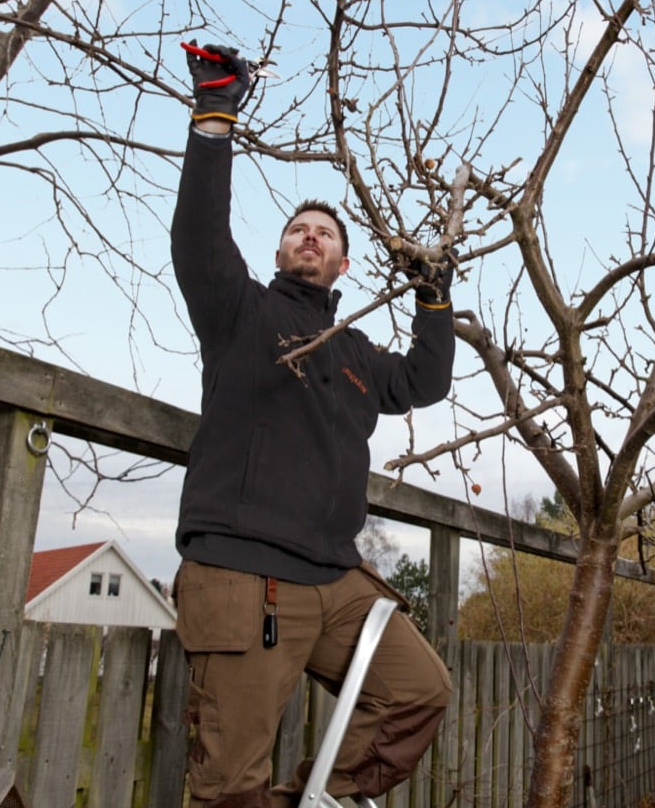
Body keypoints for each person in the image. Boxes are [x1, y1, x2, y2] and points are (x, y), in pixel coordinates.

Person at [169, 41, 456, 808]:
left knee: (419, 690)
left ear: (344, 265)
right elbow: (199, 242)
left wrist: (433, 296)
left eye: (325, 233)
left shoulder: (354, 353)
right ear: (279, 249)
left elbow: (425, 381)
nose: (311, 235)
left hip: (337, 578)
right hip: (247, 575)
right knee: (229, 792)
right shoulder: (241, 312)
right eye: (300, 228)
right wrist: (215, 112)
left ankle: (312, 801)